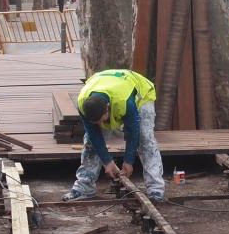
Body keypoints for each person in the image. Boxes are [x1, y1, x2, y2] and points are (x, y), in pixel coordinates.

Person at [63, 69, 164, 202]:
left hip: (141, 94)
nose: (100, 124)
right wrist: (107, 162)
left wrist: (128, 161)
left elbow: (133, 132)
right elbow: (94, 135)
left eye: (102, 120)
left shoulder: (125, 102)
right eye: (96, 122)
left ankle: (155, 189)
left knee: (145, 139)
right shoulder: (83, 103)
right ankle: (84, 187)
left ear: (108, 108)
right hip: (109, 85)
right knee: (90, 142)